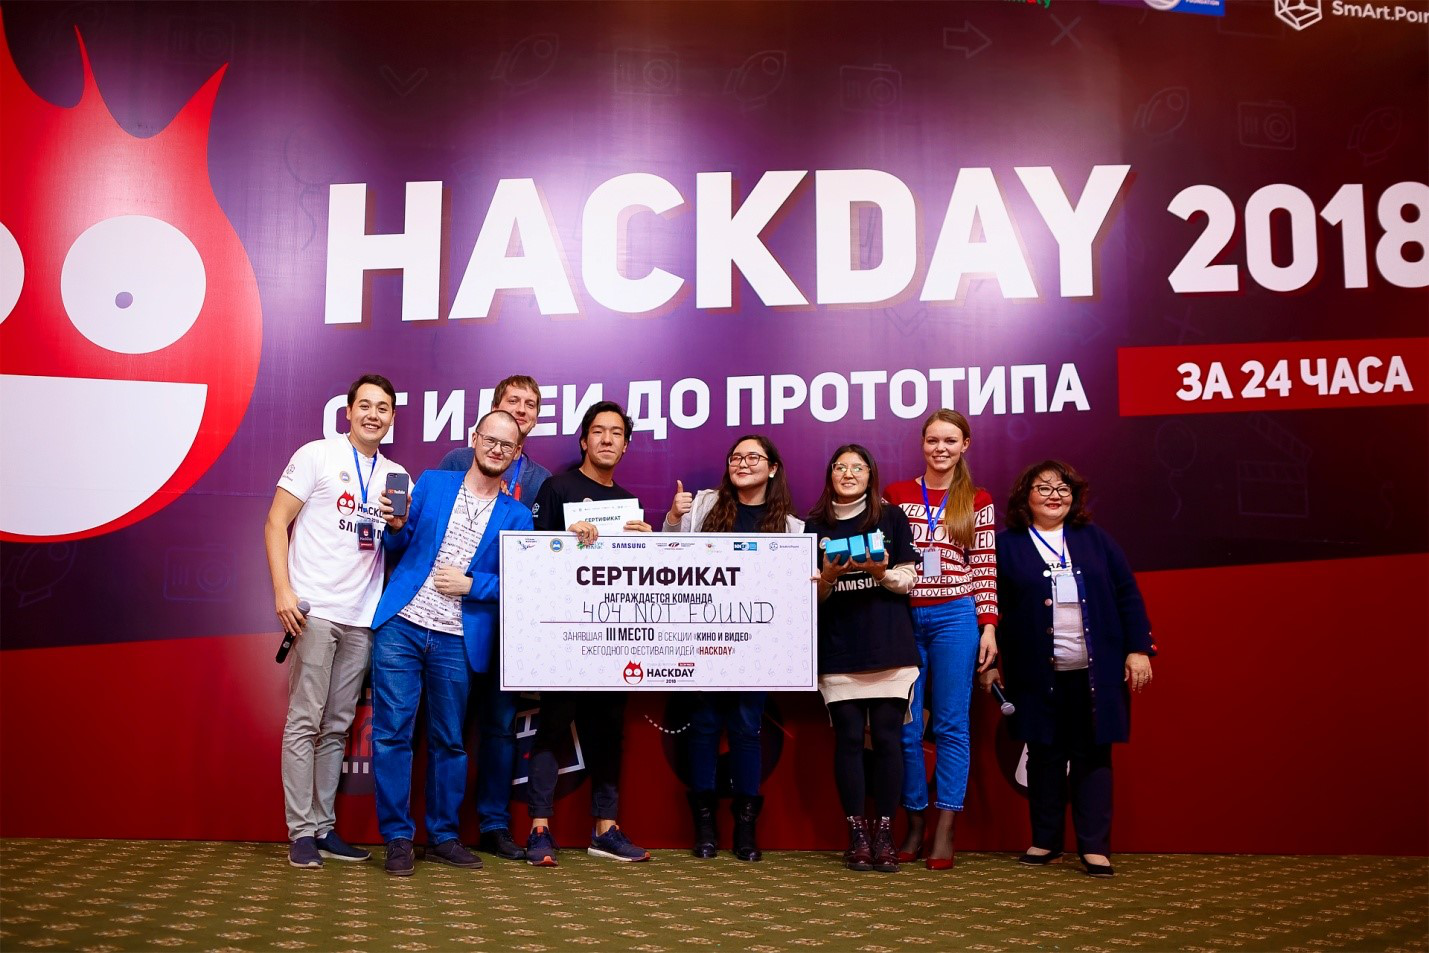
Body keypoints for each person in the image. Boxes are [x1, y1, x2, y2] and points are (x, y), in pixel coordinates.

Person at [368, 410, 535, 877]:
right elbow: (398, 547)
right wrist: (395, 527)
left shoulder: (518, 515)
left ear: (517, 454)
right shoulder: (433, 483)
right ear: (474, 438)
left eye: (507, 445)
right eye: (491, 439)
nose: (497, 449)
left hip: (458, 638)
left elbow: (523, 581)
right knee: (392, 734)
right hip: (402, 624)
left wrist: (472, 585)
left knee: (450, 741)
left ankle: (443, 836)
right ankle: (398, 838)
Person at [984, 460, 1155, 878]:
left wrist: (1138, 649)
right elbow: (988, 605)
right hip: (1034, 673)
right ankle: (1046, 841)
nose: (1054, 496)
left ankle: (1094, 847)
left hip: (1094, 672)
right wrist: (989, 665)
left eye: (1063, 488)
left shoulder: (1095, 539)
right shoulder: (1006, 545)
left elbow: (1127, 594)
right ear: (1025, 496)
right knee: (1043, 754)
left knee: (1093, 755)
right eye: (1043, 488)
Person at [264, 374, 407, 869]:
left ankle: (324, 827)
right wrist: (283, 590)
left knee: (337, 726)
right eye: (365, 405)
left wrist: (396, 527)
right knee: (305, 720)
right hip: (315, 611)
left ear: (392, 417)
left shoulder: (397, 475)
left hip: (362, 618)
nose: (373, 414)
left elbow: (398, 544)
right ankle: (300, 831)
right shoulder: (317, 455)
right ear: (348, 411)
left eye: (383, 408)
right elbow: (275, 522)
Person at [663, 434, 803, 862]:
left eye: (753, 457)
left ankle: (745, 828)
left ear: (772, 468)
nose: (743, 463)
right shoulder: (704, 505)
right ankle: (705, 827)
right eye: (736, 457)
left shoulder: (792, 528)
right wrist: (673, 517)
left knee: (745, 728)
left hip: (758, 645)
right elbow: (669, 555)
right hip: (704, 637)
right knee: (704, 726)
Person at [525, 401, 653, 866]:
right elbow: (529, 554)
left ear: (626, 445)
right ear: (584, 440)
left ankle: (605, 829)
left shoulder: (629, 504)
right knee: (553, 727)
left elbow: (634, 577)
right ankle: (539, 829)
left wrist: (647, 544)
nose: (606, 439)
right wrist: (563, 535)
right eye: (598, 431)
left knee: (609, 731)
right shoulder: (557, 488)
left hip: (613, 634)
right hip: (564, 632)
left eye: (616, 433)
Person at [438, 374, 550, 862]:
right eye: (513, 401)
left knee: (502, 728)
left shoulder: (543, 479)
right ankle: (442, 829)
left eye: (530, 404)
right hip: (452, 619)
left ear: (536, 419)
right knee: (450, 729)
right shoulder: (455, 462)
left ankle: (494, 824)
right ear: (493, 409)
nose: (521, 409)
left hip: (511, 623)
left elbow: (542, 559)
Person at [883, 409, 998, 869]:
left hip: (956, 616)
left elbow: (984, 565)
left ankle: (946, 827)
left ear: (965, 445)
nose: (941, 448)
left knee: (951, 725)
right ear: (922, 444)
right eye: (933, 440)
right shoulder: (896, 495)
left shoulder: (978, 499)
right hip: (904, 616)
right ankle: (915, 820)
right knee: (907, 727)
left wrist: (989, 626)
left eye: (950, 441)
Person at [805, 444, 920, 873]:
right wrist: (828, 577)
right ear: (830, 474)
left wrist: (881, 574)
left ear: (871, 475)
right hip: (839, 649)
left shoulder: (891, 517)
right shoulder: (813, 525)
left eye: (858, 467)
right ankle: (856, 835)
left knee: (889, 739)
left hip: (889, 646)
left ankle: (884, 835)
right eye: (840, 467)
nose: (849, 473)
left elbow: (909, 579)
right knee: (849, 740)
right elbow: (807, 595)